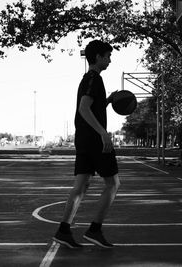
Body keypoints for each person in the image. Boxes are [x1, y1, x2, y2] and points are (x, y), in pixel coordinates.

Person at [53, 40, 120, 249]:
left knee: (81, 185)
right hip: (93, 140)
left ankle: (63, 231)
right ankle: (94, 230)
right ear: (98, 57)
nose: (110, 60)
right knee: (113, 184)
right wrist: (103, 133)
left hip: (83, 138)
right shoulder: (94, 78)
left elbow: (90, 105)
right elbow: (84, 108)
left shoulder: (88, 79)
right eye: (108, 56)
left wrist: (107, 101)